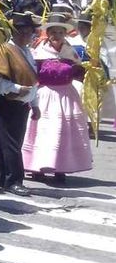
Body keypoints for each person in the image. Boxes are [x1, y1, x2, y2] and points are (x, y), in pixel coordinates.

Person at [21, 12, 90, 183]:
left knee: (64, 132)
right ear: (48, 33)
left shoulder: (70, 51)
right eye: (54, 32)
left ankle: (61, 166)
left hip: (66, 95)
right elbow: (31, 73)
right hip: (45, 95)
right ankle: (37, 166)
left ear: (64, 34)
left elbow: (80, 72)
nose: (57, 36)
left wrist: (89, 72)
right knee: (44, 131)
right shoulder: (38, 51)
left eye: (60, 32)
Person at [0, 11, 41, 196]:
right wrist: (17, 89)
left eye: (29, 33)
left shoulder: (27, 52)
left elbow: (32, 81)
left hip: (22, 105)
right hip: (7, 103)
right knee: (12, 144)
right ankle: (14, 180)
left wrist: (35, 104)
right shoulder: (3, 51)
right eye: (22, 32)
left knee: (10, 142)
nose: (26, 36)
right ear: (14, 32)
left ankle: (1, 177)